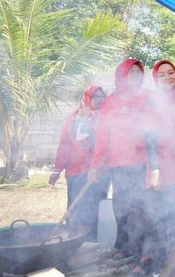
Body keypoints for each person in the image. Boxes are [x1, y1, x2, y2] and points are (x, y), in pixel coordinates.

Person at [88, 58, 157, 276]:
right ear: (122, 75)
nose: (135, 76)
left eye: (139, 72)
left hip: (143, 164)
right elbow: (102, 136)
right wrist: (95, 164)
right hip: (118, 165)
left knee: (143, 210)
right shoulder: (111, 101)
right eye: (131, 72)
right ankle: (125, 248)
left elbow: (157, 131)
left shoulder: (149, 97)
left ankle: (146, 256)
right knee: (121, 209)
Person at [49, 85, 109, 240]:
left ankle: (93, 243)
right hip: (76, 173)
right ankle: (73, 243)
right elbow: (65, 145)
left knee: (96, 208)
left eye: (102, 96)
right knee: (76, 210)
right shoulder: (75, 118)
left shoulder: (108, 117)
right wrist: (57, 170)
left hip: (99, 173)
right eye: (95, 97)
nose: (99, 100)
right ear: (88, 98)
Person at [144, 60, 175, 271]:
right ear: (156, 80)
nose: (168, 77)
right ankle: (159, 264)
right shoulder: (152, 104)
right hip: (161, 169)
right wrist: (155, 169)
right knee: (161, 218)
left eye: (171, 72)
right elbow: (149, 138)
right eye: (162, 75)